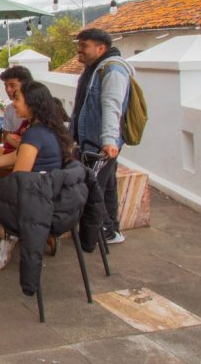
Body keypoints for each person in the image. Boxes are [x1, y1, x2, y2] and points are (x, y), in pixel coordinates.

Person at [0, 81, 75, 268]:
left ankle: (7, 233)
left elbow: (18, 180)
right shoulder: (49, 129)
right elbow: (18, 155)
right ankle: (1, 236)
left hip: (30, 204)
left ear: (32, 103)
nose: (13, 103)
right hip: (47, 199)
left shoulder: (34, 134)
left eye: (17, 99)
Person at [71, 28, 131, 244]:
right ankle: (110, 229)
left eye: (84, 46)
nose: (79, 51)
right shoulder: (95, 68)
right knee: (106, 185)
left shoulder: (113, 70)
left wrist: (108, 141)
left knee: (94, 186)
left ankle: (104, 229)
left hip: (101, 142)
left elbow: (112, 105)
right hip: (93, 140)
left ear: (101, 48)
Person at [0, 66, 34, 154]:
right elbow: (6, 137)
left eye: (12, 85)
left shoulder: (39, 113)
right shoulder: (9, 109)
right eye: (6, 86)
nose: (8, 90)